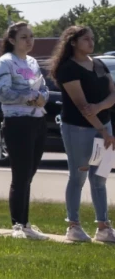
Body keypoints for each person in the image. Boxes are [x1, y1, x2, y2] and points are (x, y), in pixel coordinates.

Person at [50, 26, 115, 244]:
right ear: (73, 42)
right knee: (78, 176)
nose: (91, 42)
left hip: (104, 127)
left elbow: (113, 93)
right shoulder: (68, 69)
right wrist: (103, 130)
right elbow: (81, 106)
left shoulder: (98, 63)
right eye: (86, 39)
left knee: (101, 177)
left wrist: (100, 109)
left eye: (92, 38)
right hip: (78, 129)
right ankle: (73, 226)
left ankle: (104, 227)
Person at [0, 22, 51, 240]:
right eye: (24, 37)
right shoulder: (5, 62)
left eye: (31, 36)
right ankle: (18, 224)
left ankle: (26, 223)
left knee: (29, 174)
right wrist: (28, 96)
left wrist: (42, 96)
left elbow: (43, 86)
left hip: (37, 120)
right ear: (12, 40)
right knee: (20, 175)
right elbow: (2, 92)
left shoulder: (33, 62)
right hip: (17, 122)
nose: (29, 41)